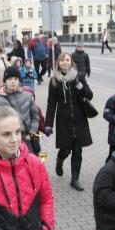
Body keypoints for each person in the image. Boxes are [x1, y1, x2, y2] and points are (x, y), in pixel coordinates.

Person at [44, 52, 94, 191]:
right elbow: (51, 104)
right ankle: (60, 160)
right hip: (63, 120)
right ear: (58, 63)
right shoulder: (54, 81)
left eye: (67, 60)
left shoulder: (79, 77)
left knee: (77, 150)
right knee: (65, 149)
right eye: (62, 60)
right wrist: (48, 124)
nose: (65, 63)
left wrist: (80, 85)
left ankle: (75, 179)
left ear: (71, 62)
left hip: (79, 119)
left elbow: (90, 95)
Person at [0, 66, 40, 155]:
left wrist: (31, 133)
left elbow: (35, 117)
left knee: (30, 163)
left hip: (27, 138)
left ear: (19, 81)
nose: (13, 81)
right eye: (10, 79)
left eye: (15, 79)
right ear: (5, 81)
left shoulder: (27, 96)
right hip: (10, 141)